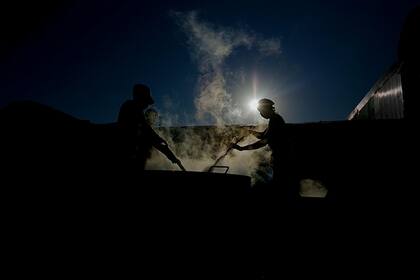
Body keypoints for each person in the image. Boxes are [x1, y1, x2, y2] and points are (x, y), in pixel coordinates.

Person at [231, 98, 295, 195]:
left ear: (266, 109)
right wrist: (250, 131)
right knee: (281, 185)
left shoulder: (275, 120)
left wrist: (242, 148)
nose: (261, 114)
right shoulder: (274, 120)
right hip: (279, 157)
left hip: (282, 158)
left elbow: (263, 142)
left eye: (261, 111)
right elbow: (262, 135)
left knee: (280, 185)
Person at [118, 84, 184, 170]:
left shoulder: (134, 109)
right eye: (146, 101)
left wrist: (170, 155)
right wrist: (172, 157)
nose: (147, 105)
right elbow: (149, 134)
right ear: (140, 98)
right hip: (128, 160)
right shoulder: (131, 108)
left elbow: (149, 133)